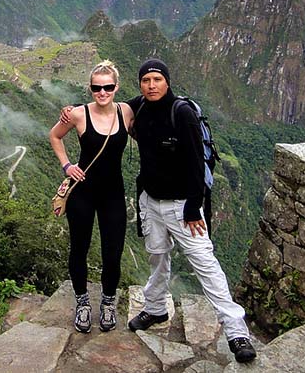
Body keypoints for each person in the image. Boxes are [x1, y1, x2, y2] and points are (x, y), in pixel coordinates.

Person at [60, 59, 256, 363]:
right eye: (146, 80)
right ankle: (154, 308)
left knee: (204, 261)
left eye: (157, 80)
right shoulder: (137, 107)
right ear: (139, 84)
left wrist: (194, 206)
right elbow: (104, 104)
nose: (151, 86)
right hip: (150, 202)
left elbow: (196, 162)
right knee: (157, 256)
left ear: (167, 81)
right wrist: (74, 108)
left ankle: (236, 331)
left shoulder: (183, 113)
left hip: (183, 206)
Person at [49, 60, 134, 333]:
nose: (102, 92)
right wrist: (67, 166)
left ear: (116, 87)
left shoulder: (127, 112)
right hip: (83, 193)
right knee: (80, 249)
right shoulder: (77, 115)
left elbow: (154, 106)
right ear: (90, 88)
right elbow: (54, 136)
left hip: (113, 193)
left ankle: (108, 302)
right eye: (97, 88)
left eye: (108, 87)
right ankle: (83, 301)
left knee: (113, 252)